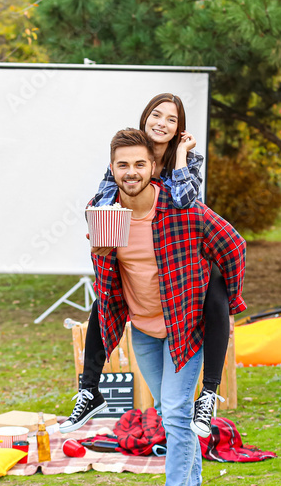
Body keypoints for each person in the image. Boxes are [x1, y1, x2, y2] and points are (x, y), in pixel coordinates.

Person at [90, 128, 246, 486]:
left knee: (176, 413)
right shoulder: (105, 212)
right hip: (141, 326)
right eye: (123, 164)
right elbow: (107, 276)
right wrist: (100, 255)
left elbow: (234, 246)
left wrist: (222, 300)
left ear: (153, 166)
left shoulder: (181, 209)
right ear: (112, 168)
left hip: (185, 328)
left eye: (139, 163)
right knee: (167, 411)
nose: (131, 172)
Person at [62, 93, 232, 437]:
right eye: (157, 115)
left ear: (179, 130)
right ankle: (89, 389)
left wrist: (181, 156)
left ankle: (209, 393)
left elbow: (186, 200)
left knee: (216, 292)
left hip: (184, 255)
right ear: (145, 119)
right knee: (104, 297)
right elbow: (102, 202)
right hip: (142, 261)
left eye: (172, 120)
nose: (162, 123)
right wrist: (102, 234)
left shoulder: (185, 159)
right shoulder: (127, 157)